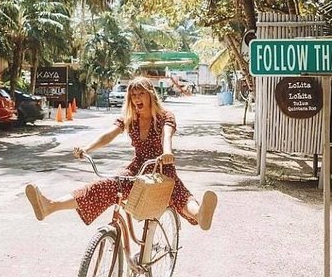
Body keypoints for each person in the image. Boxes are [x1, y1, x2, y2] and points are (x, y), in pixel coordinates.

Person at [24, 76, 217, 229]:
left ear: (150, 95)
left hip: (161, 167)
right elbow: (109, 135)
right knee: (105, 185)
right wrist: (87, 148)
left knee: (178, 195)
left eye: (141, 94)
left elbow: (167, 135)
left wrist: (167, 152)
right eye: (133, 95)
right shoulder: (130, 118)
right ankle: (50, 206)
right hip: (138, 168)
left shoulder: (165, 116)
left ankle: (200, 214)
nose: (136, 99)